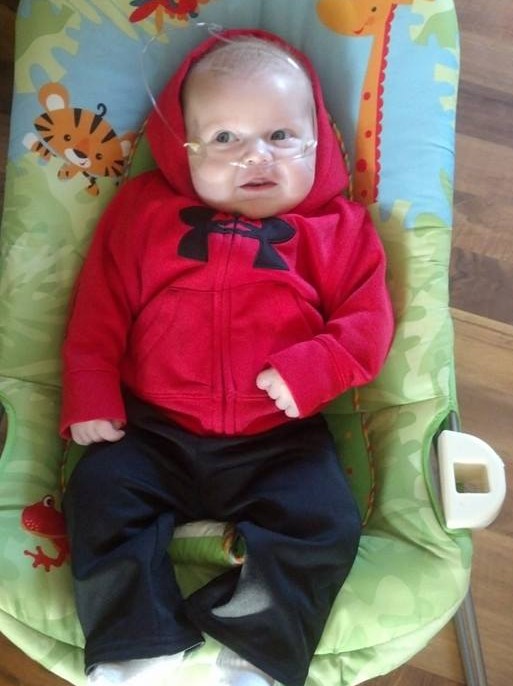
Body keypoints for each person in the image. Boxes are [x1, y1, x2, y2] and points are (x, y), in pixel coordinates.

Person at [61, 28, 394, 686]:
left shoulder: (339, 231)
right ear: (182, 149)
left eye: (281, 136)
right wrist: (90, 388)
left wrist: (316, 367)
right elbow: (100, 304)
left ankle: (253, 647)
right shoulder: (144, 212)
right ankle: (139, 644)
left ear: (319, 141)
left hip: (280, 440)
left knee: (325, 523)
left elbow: (368, 323)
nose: (255, 156)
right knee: (97, 498)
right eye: (224, 138)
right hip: (151, 430)